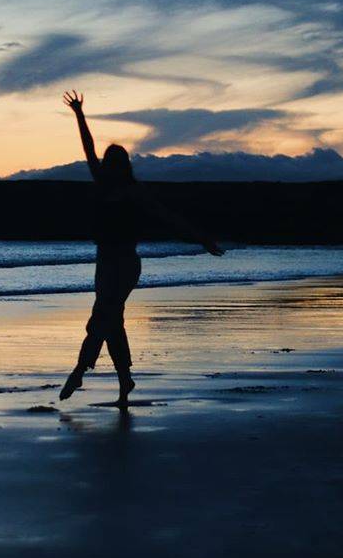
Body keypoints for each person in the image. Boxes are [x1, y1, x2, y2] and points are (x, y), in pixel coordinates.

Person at [60, 91, 224, 406]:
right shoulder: (102, 184)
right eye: (106, 162)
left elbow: (169, 218)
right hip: (104, 263)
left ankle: (80, 370)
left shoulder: (135, 193)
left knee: (101, 318)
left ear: (121, 165)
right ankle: (125, 382)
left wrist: (202, 239)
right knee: (112, 322)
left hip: (124, 265)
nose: (106, 165)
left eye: (112, 162)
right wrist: (79, 115)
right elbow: (88, 149)